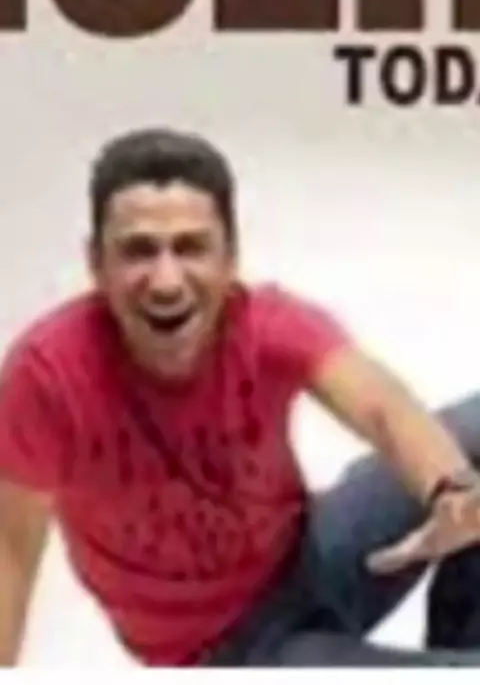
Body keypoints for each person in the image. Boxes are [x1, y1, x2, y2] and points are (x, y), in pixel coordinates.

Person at [1, 127, 480, 667]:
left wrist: (451, 490)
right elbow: (9, 554)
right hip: (225, 655)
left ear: (230, 259)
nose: (166, 282)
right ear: (96, 264)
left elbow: (380, 405)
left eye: (191, 248)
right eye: (138, 251)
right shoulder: (48, 375)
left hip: (312, 559)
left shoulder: (265, 323)